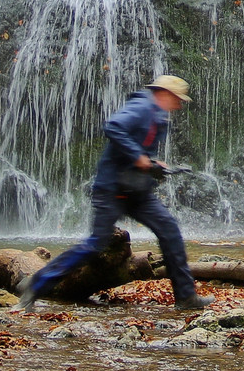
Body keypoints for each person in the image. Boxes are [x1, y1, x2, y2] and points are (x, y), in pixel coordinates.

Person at [17, 74, 211, 310]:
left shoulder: (157, 116)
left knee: (170, 232)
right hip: (112, 190)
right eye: (177, 99)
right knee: (95, 244)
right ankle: (36, 284)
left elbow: (136, 150)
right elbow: (114, 126)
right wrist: (138, 157)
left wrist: (153, 163)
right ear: (164, 94)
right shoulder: (142, 107)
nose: (179, 105)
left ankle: (186, 298)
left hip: (136, 191)